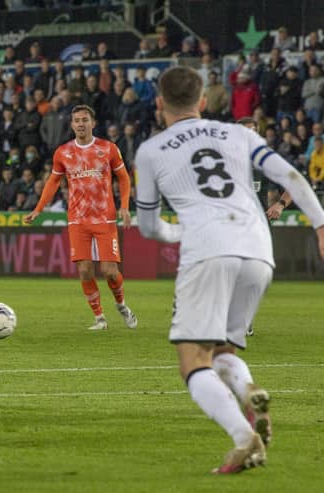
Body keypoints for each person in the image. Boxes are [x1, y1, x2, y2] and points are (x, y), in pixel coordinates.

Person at [134, 66, 324, 473]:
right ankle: (245, 386)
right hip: (258, 250)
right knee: (223, 350)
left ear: (159, 103)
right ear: (203, 102)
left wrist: (179, 230)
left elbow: (148, 226)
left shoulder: (150, 151)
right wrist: (321, 223)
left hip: (208, 249)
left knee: (193, 360)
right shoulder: (239, 133)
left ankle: (244, 438)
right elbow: (291, 175)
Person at [24, 104, 137, 331]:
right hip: (77, 219)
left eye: (85, 120)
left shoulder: (108, 149)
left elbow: (124, 178)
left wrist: (124, 206)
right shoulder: (63, 153)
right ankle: (99, 318)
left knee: (109, 272)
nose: (81, 124)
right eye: (77, 120)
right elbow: (53, 182)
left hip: (104, 218)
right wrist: (38, 209)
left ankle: (121, 304)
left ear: (93, 123)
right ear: (72, 125)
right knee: (85, 270)